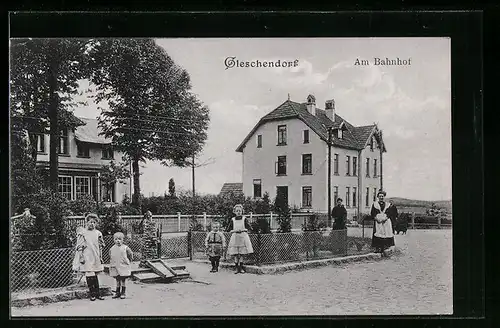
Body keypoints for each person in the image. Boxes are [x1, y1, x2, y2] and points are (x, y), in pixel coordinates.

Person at [75, 213, 106, 301]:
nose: (92, 224)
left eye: (94, 222)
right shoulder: (83, 233)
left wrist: (100, 256)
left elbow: (100, 246)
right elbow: (79, 246)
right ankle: (92, 293)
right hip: (87, 256)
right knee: (89, 274)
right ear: (86, 222)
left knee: (95, 274)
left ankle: (98, 293)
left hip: (95, 256)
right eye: (90, 222)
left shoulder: (98, 233)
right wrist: (81, 257)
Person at [226, 204, 253, 274]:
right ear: (234, 212)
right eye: (237, 211)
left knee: (241, 254)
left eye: (240, 211)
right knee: (235, 254)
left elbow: (249, 228)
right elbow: (229, 229)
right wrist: (234, 231)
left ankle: (241, 268)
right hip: (235, 237)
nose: (238, 212)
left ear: (242, 211)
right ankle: (236, 268)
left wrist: (244, 230)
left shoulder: (244, 219)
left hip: (243, 237)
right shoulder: (233, 220)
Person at [370, 190, 398, 256]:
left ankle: (384, 248)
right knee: (377, 233)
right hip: (378, 222)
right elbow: (372, 213)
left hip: (385, 222)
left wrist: (385, 219)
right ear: (378, 197)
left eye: (382, 196)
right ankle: (377, 248)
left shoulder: (387, 205)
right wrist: (376, 219)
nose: (381, 197)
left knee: (386, 233)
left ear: (384, 197)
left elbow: (389, 213)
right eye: (380, 196)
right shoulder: (375, 204)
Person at [109, 232, 133, 299]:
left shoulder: (125, 248)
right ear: (114, 240)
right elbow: (110, 256)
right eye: (116, 239)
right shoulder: (112, 248)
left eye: (120, 239)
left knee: (123, 280)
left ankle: (123, 292)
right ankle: (117, 292)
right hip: (115, 266)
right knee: (117, 280)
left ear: (123, 240)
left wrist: (128, 261)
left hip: (123, 266)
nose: (118, 241)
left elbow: (130, 255)